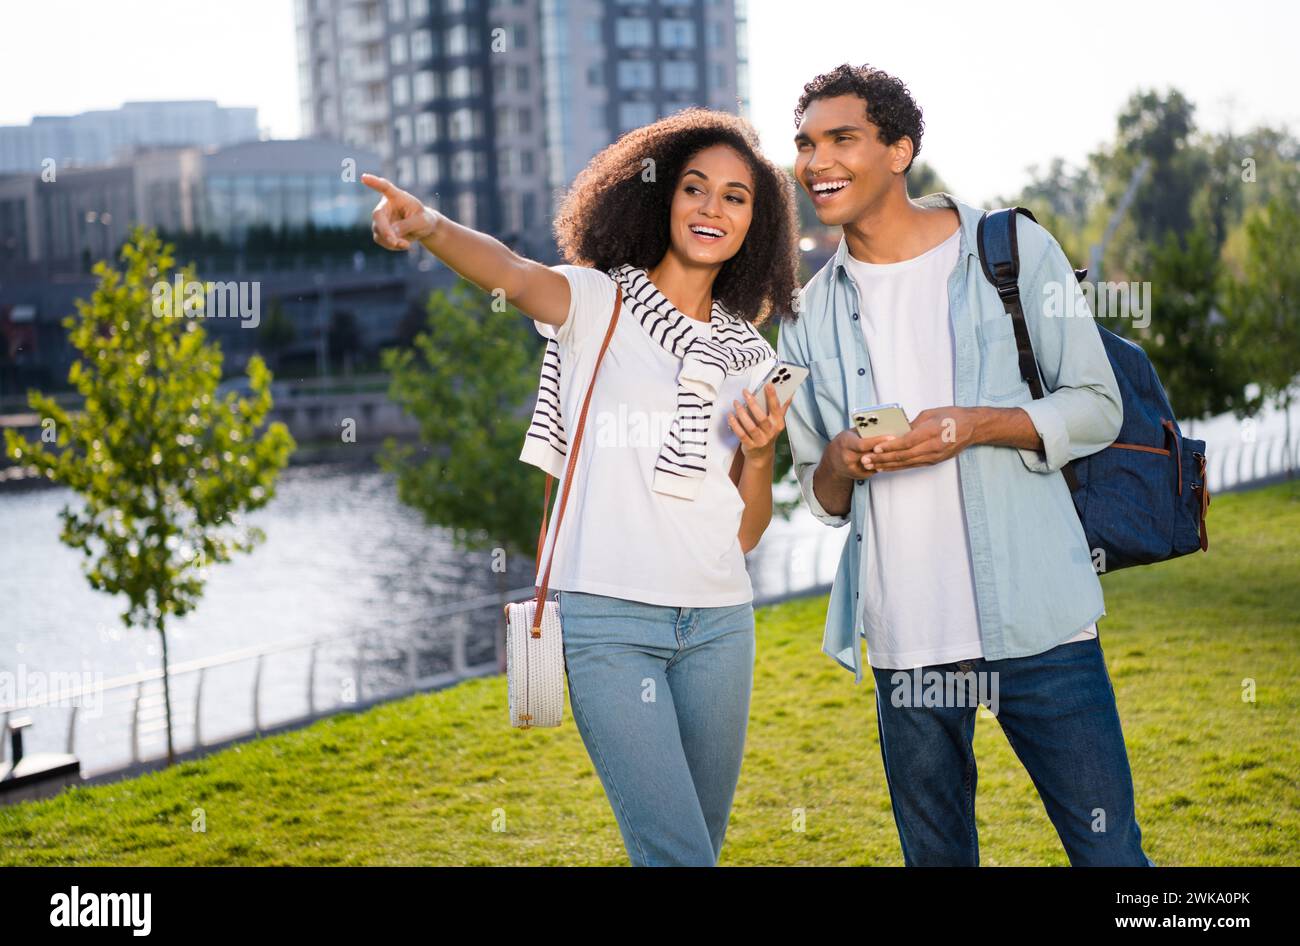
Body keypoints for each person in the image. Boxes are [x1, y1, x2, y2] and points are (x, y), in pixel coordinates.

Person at [362, 107, 800, 866]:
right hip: (611, 625)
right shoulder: (600, 303)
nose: (712, 208)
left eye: (736, 197)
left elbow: (747, 532)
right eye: (695, 188)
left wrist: (760, 457)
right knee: (677, 854)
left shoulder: (748, 356)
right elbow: (510, 272)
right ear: (660, 199)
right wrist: (428, 223)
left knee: (701, 847)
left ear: (753, 224)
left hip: (722, 624)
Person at [779, 63, 1153, 866]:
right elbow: (822, 494)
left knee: (1111, 856)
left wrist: (976, 425)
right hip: (908, 641)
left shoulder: (1011, 250)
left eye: (842, 139)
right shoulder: (807, 316)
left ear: (899, 150)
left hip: (1041, 623)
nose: (817, 162)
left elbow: (1097, 405)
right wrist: (841, 458)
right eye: (806, 144)